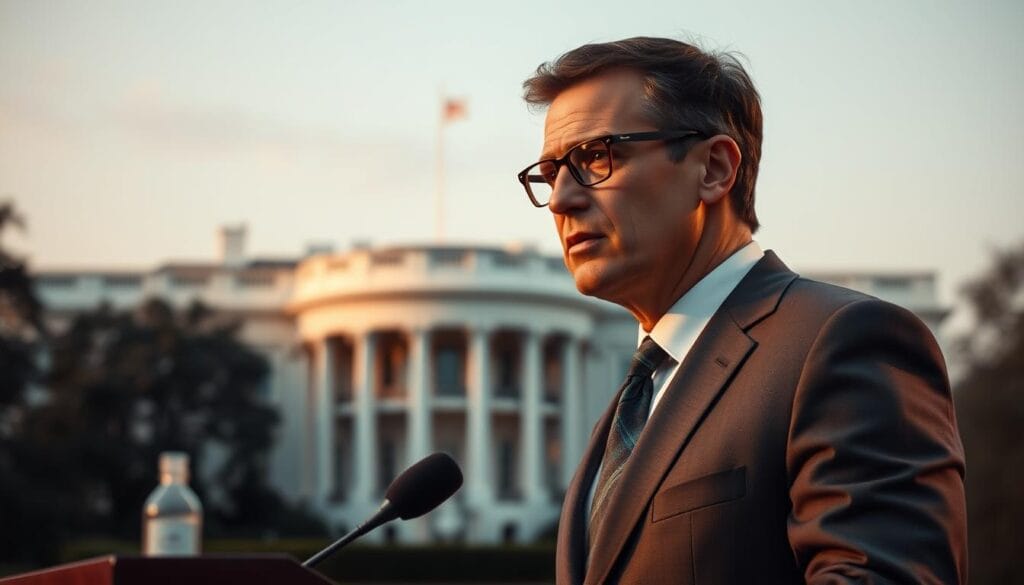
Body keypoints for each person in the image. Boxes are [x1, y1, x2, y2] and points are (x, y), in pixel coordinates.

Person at [517, 37, 967, 584]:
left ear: (713, 168)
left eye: (596, 156)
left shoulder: (842, 342)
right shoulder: (631, 404)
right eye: (548, 173)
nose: (562, 199)